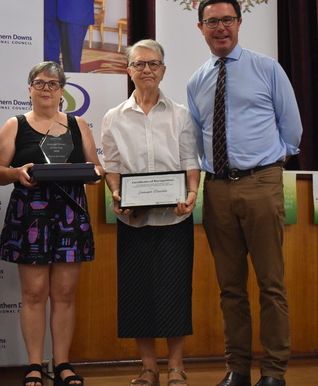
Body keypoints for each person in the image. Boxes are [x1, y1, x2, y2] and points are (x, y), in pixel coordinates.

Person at [186, 0, 302, 386]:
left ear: (239, 23)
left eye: (227, 20)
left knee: (271, 284)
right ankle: (236, 369)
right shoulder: (196, 81)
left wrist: (269, 164)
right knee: (230, 288)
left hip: (261, 183)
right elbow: (197, 138)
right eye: (212, 21)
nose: (220, 28)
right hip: (216, 189)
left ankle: (273, 372)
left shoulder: (267, 68)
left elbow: (292, 128)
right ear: (201, 28)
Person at [0, 61, 104, 386]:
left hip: (70, 214)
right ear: (29, 89)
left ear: (61, 90)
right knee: (34, 292)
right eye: (39, 83)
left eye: (53, 84)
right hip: (30, 215)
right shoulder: (15, 125)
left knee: (65, 293)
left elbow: (96, 169)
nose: (46, 89)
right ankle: (34, 365)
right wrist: (16, 173)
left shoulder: (78, 124)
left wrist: (93, 174)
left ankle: (62, 363)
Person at [101, 39, 200, 386]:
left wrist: (192, 193)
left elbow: (190, 161)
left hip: (175, 216)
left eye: (153, 64)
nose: (147, 70)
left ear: (163, 70)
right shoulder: (113, 117)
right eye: (139, 64)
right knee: (137, 292)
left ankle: (176, 366)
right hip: (133, 218)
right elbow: (112, 167)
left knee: (175, 290)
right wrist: (116, 193)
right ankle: (148, 368)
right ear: (128, 70)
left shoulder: (181, 114)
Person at [40, 0, 106, 72]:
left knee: (72, 60)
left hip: (76, 11)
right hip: (49, 7)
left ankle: (72, 84)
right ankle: (50, 82)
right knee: (47, 60)